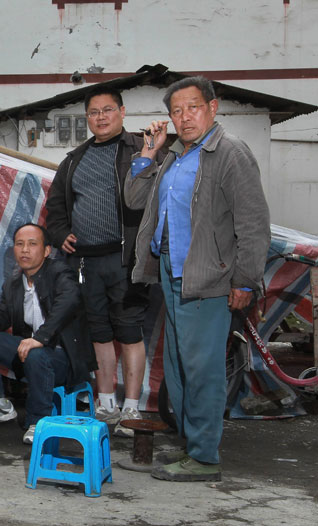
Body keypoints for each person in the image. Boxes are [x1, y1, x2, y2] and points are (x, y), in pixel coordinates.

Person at [126, 76, 270, 482]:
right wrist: (149, 152)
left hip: (210, 279)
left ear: (213, 107)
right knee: (178, 367)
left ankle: (205, 457)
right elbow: (135, 200)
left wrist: (245, 281)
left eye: (193, 107)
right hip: (173, 275)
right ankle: (192, 447)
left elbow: (254, 224)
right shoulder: (174, 156)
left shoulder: (229, 153)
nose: (185, 117)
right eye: (176, 110)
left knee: (202, 368)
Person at [43, 86, 150, 437]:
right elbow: (55, 207)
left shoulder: (141, 149)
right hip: (86, 262)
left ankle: (132, 410)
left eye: (107, 110)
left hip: (125, 258)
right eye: (93, 112)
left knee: (130, 331)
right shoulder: (75, 158)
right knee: (100, 333)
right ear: (86, 118)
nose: (101, 117)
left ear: (121, 112)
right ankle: (106, 406)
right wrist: (60, 235)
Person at [0, 223, 93, 444]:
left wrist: (39, 339)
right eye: (19, 244)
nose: (25, 250)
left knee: (36, 353)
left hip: (64, 359)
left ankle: (39, 421)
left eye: (32, 244)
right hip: (29, 354)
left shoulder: (60, 273)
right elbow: (2, 320)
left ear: (46, 251)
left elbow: (69, 300)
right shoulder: (14, 284)